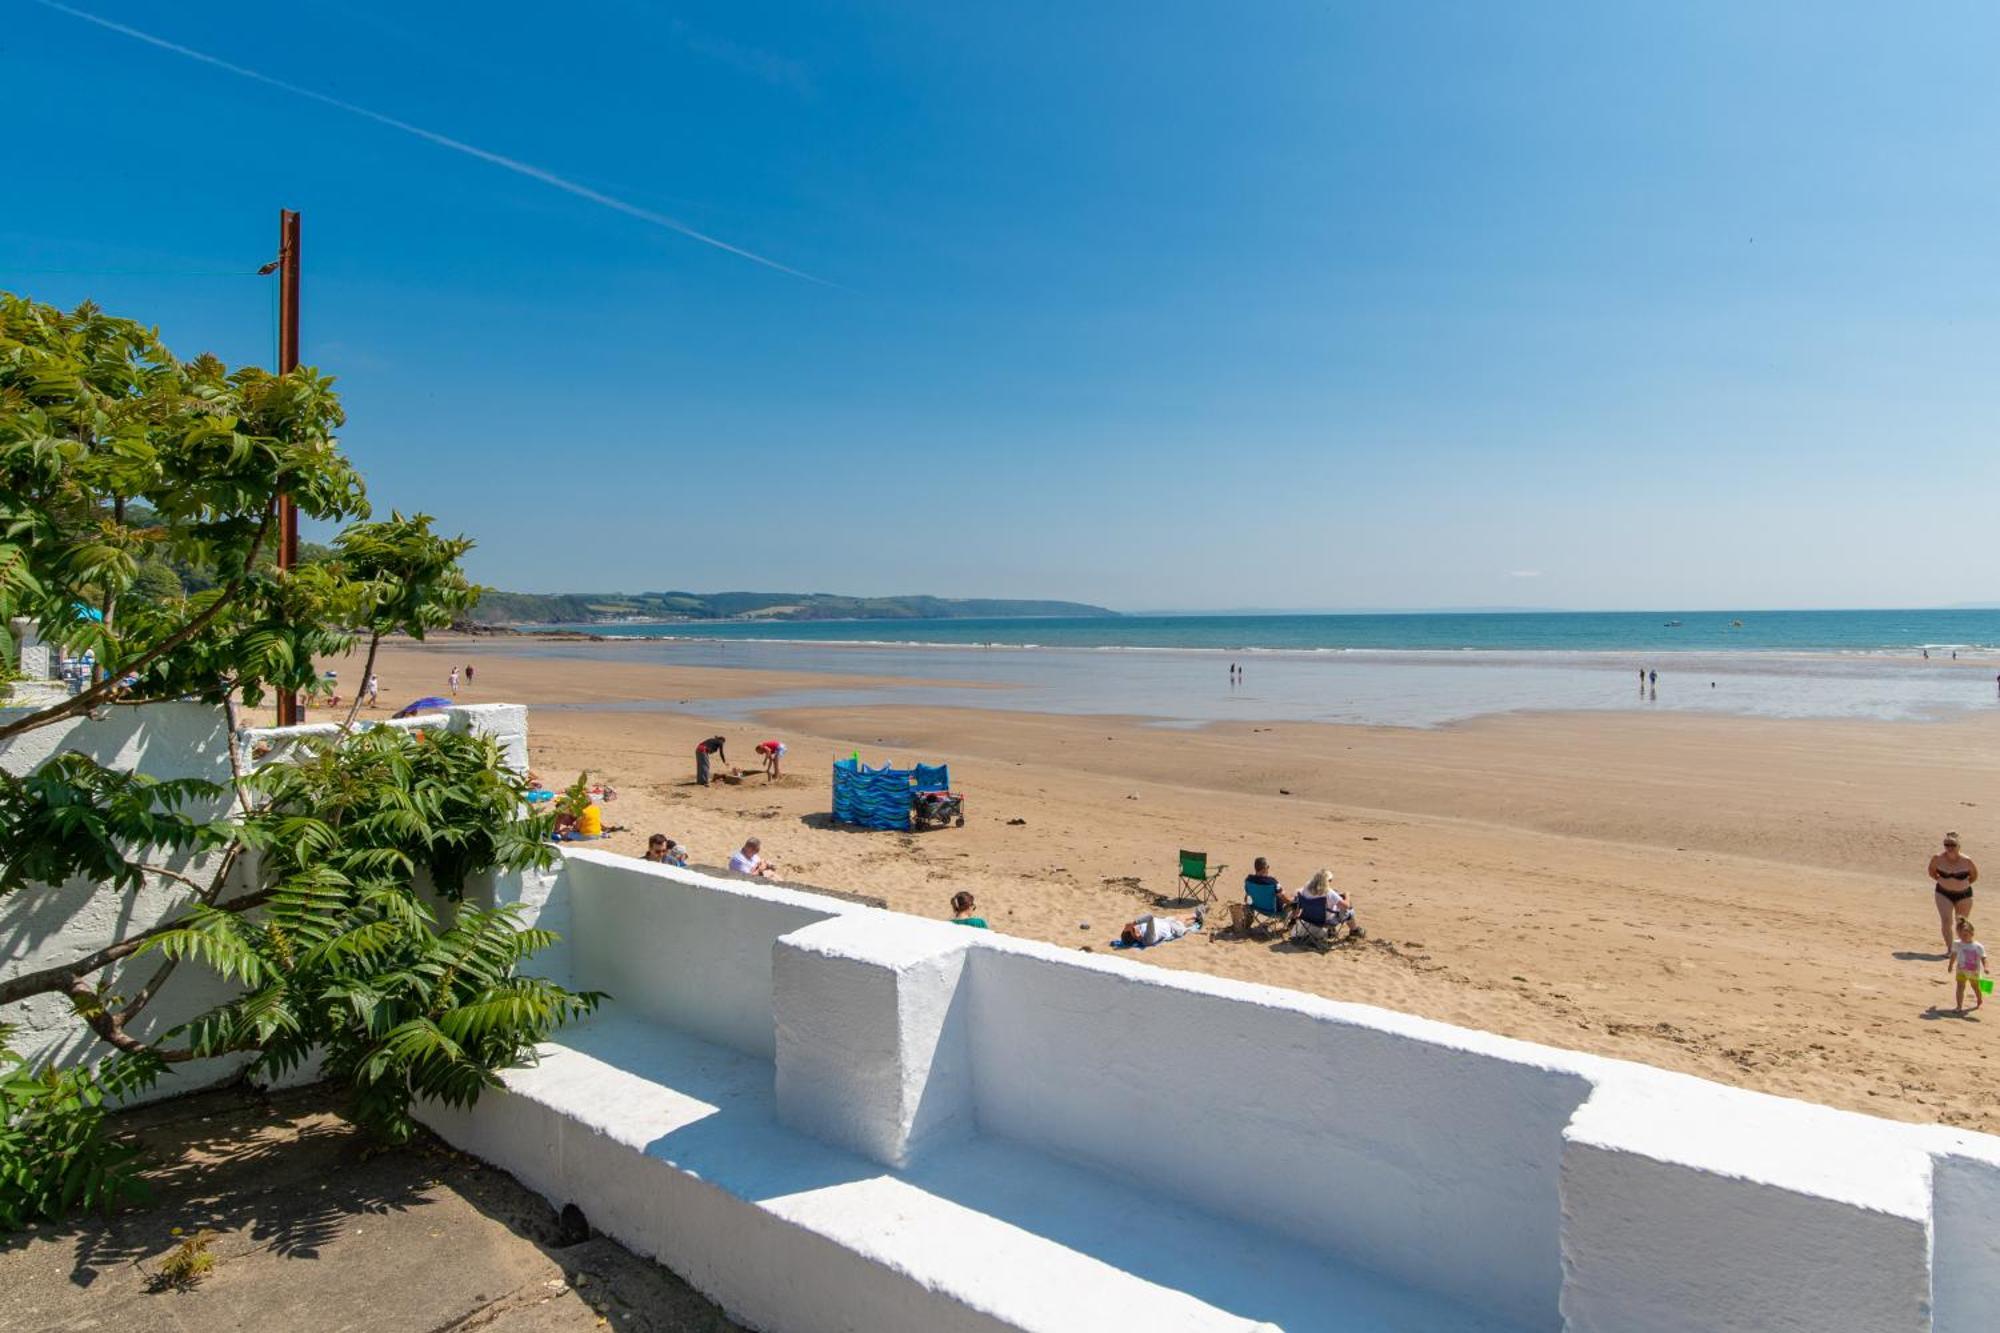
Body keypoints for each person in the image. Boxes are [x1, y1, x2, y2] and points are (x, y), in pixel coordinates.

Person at [1931, 832, 1979, 951]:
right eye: (1946, 844)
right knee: (1946, 921)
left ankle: (1963, 947)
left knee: (1962, 923)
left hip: (1964, 895)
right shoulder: (1938, 858)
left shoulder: (1967, 861)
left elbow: (1974, 876)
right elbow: (1932, 872)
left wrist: (1962, 884)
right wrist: (1942, 880)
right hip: (1943, 893)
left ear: (1958, 846)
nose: (1949, 847)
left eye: (1953, 844)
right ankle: (1951, 949)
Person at [1232, 857, 1290, 933]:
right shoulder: (1272, 882)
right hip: (1274, 911)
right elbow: (1285, 899)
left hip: (1257, 907)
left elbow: (1246, 899)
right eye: (1268, 867)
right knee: (1292, 904)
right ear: (1265, 868)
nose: (1268, 869)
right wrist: (1293, 902)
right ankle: (1287, 926)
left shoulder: (1249, 880)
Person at [1119, 906, 1206, 947]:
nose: (1135, 927)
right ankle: (1197, 916)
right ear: (1135, 936)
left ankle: (1196, 915)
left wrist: (1129, 928)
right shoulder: (1148, 939)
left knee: (1178, 916)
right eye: (1134, 930)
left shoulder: (1139, 930)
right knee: (1180, 920)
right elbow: (1149, 917)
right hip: (1173, 929)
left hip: (1166, 921)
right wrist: (1133, 923)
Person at [1951, 917, 1987, 1013]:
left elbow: (1983, 958)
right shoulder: (1957, 943)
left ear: (1972, 933)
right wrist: (1950, 965)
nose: (1963, 937)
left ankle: (1979, 998)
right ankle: (1959, 1006)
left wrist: (1986, 967)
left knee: (1975, 987)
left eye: (1965, 935)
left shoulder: (1978, 946)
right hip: (1961, 970)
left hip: (1973, 972)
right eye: (1960, 935)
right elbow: (1953, 954)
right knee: (1960, 987)